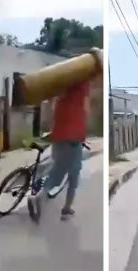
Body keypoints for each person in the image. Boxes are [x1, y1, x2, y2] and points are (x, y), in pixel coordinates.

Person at [28, 74, 96, 223]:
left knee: (58, 170)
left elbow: (53, 106)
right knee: (69, 175)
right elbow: (85, 110)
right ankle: (43, 198)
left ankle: (63, 204)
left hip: (58, 135)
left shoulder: (62, 83)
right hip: (73, 139)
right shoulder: (83, 85)